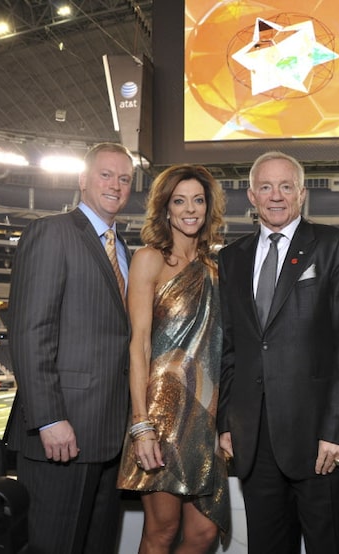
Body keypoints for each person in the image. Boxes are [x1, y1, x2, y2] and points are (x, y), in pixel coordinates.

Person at [217, 151, 339, 554]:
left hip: (320, 439)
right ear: (251, 195)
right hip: (255, 439)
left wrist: (338, 431)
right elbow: (232, 346)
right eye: (266, 186)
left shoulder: (335, 246)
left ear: (302, 194)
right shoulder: (231, 258)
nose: (276, 195)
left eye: (286, 186)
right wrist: (227, 422)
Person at [5, 142, 134, 553]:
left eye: (125, 178)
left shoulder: (124, 248)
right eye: (106, 174)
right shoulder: (52, 232)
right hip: (63, 431)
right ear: (82, 179)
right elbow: (30, 330)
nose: (116, 185)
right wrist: (48, 418)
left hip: (109, 435)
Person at [116, 164, 230, 552]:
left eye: (198, 200)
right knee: (162, 530)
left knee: (204, 533)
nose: (190, 209)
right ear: (165, 208)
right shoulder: (150, 259)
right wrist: (141, 424)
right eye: (179, 200)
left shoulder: (218, 267)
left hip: (205, 415)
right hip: (160, 416)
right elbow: (140, 344)